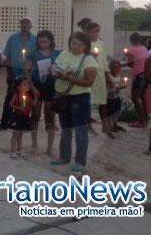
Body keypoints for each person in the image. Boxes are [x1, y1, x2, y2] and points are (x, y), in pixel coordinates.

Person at [50, 32, 98, 173]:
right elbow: (55, 68)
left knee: (80, 131)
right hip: (63, 96)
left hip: (80, 98)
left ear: (85, 46)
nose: (75, 46)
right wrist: (53, 72)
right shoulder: (64, 54)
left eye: (79, 44)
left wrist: (69, 78)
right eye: (73, 43)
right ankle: (64, 157)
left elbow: (89, 82)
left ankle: (80, 161)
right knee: (65, 128)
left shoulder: (88, 59)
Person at [24, 30, 60, 157]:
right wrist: (32, 86)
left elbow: (61, 70)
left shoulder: (57, 53)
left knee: (50, 117)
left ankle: (49, 148)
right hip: (37, 86)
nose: (43, 44)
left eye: (45, 42)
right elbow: (27, 70)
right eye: (40, 42)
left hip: (52, 87)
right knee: (35, 115)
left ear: (51, 42)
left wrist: (55, 73)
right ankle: (34, 145)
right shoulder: (33, 54)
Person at [0, 17, 37, 132]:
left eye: (27, 25)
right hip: (14, 74)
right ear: (20, 25)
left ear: (31, 26)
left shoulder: (35, 40)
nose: (25, 27)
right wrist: (9, 73)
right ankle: (4, 124)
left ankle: (24, 124)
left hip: (29, 75)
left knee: (27, 100)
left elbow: (36, 58)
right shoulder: (12, 38)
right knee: (10, 98)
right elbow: (7, 56)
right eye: (23, 24)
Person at [85, 22, 111, 136]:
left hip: (100, 75)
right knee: (88, 102)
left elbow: (104, 60)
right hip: (89, 74)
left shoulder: (101, 43)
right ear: (87, 32)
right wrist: (90, 55)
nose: (94, 34)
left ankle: (105, 126)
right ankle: (88, 125)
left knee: (103, 102)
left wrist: (107, 75)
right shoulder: (84, 44)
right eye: (92, 31)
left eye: (96, 31)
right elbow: (81, 57)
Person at [9, 75, 39, 159]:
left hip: (25, 117)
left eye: (28, 84)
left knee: (20, 134)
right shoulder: (17, 94)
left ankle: (19, 150)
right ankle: (12, 151)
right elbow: (10, 104)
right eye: (25, 84)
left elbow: (33, 105)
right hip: (17, 116)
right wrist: (19, 107)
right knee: (15, 134)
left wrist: (36, 97)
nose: (28, 86)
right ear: (19, 87)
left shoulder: (29, 96)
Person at [126, 32, 149, 128]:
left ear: (131, 41)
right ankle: (146, 118)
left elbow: (130, 64)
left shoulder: (131, 50)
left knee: (135, 98)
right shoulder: (144, 48)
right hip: (146, 74)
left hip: (138, 75)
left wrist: (127, 56)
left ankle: (141, 121)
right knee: (142, 97)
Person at [106, 59, 126, 135]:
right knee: (110, 112)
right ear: (111, 68)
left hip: (116, 96)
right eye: (116, 68)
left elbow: (118, 85)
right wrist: (113, 87)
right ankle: (110, 126)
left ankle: (115, 124)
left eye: (119, 68)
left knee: (117, 111)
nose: (119, 70)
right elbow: (106, 85)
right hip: (109, 97)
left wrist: (121, 86)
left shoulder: (118, 76)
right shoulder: (108, 76)